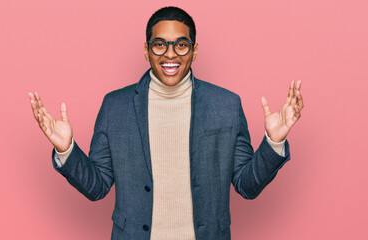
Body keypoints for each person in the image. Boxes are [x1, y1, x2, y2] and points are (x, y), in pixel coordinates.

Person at [28, 6, 303, 240]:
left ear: (194, 51)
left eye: (181, 44)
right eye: (159, 44)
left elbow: (247, 185)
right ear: (147, 51)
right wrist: (67, 150)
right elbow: (97, 186)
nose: (170, 54)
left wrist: (273, 142)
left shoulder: (226, 105)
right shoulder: (116, 105)